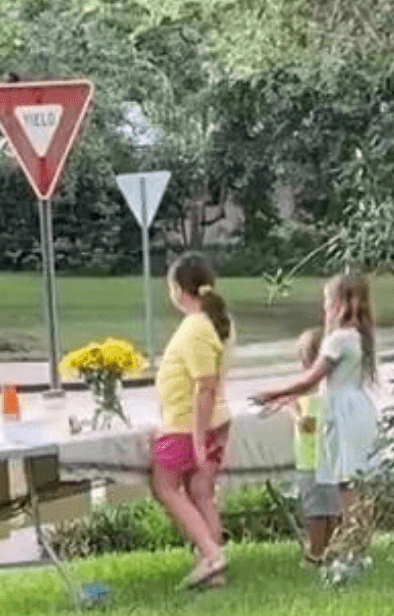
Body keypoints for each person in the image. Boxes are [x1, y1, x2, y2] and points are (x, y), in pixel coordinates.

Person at [254, 272, 380, 553]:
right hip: (357, 408)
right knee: (354, 482)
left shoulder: (338, 340)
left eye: (326, 301)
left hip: (340, 414)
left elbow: (311, 379)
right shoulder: (360, 337)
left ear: (338, 303)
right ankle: (359, 542)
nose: (324, 307)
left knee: (345, 484)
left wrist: (274, 393)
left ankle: (353, 546)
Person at [151, 252, 234, 588]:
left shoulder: (195, 328)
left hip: (184, 425)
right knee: (200, 491)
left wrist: (198, 439)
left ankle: (211, 554)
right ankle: (213, 569)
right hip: (200, 422)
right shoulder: (210, 324)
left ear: (177, 289)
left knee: (166, 486)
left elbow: (205, 385)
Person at [288, 327, 343, 564]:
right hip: (332, 462)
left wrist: (294, 413)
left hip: (311, 462)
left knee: (317, 512)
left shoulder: (309, 396)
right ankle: (330, 552)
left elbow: (309, 427)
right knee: (331, 510)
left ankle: (317, 552)